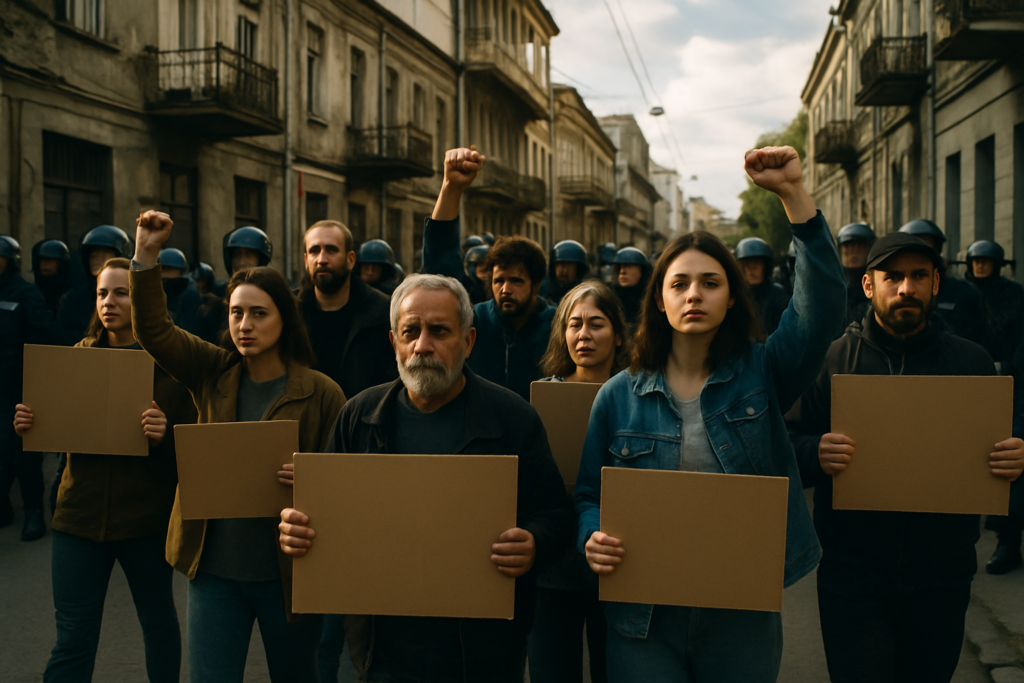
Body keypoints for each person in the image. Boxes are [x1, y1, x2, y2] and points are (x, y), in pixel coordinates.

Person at [576, 146, 846, 683]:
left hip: (739, 607)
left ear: (731, 299)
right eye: (679, 283)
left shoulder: (764, 374)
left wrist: (795, 195)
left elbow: (820, 317)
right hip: (644, 613)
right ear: (658, 300)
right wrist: (592, 535)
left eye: (710, 283)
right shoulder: (618, 396)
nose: (694, 294)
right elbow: (589, 494)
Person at [278, 273, 572, 682]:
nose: (422, 346)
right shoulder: (359, 416)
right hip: (381, 650)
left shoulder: (512, 419)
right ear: (393, 341)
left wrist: (534, 542)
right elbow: (323, 517)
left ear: (468, 342)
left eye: (439, 331)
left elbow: (556, 515)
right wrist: (298, 529)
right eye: (410, 331)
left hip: (481, 653)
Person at [790, 232, 1024, 682]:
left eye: (919, 276)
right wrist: (815, 451)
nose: (906, 289)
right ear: (867, 286)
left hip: (943, 575)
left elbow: (1002, 443)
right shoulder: (835, 359)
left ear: (936, 284)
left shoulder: (972, 363)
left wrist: (1015, 456)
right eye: (892, 277)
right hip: (853, 575)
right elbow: (786, 440)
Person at [130, 209, 345, 683]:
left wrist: (312, 480)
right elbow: (154, 331)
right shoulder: (213, 372)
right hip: (212, 572)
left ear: (284, 321)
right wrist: (146, 252)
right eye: (236, 312)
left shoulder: (322, 393)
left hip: (287, 575)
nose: (245, 324)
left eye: (259, 313)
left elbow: (348, 484)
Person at [14, 257, 196, 682]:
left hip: (145, 523)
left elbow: (195, 449)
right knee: (73, 637)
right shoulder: (77, 358)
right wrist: (31, 422)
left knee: (157, 623)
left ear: (145, 300)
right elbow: (56, 433)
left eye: (121, 292)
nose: (108, 302)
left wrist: (163, 435)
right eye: (101, 293)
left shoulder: (172, 365)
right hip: (77, 518)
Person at [528, 280, 631, 683]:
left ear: (619, 333)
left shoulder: (641, 398)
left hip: (619, 563)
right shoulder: (540, 400)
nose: (583, 334)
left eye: (596, 323)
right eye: (574, 324)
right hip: (554, 568)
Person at [421, 147, 555, 402]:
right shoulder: (474, 321)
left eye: (516, 280)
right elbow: (440, 267)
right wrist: (451, 187)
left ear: (536, 284)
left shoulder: (557, 326)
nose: (505, 289)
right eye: (498, 280)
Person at [963, 239, 1024, 575]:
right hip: (970, 381)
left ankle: (1008, 539)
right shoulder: (962, 296)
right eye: (977, 260)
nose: (981, 266)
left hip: (1010, 382)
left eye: (987, 261)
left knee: (1007, 458)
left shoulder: (1014, 296)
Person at [1, 235, 66, 540]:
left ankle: (33, 513)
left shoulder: (27, 293)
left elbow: (43, 340)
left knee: (26, 454)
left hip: (21, 387)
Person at [898, 219, 990, 348]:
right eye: (910, 248)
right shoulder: (890, 292)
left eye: (925, 248)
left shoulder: (964, 293)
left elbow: (979, 341)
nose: (917, 255)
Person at [58, 225, 132, 341]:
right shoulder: (75, 297)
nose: (98, 260)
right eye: (94, 256)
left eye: (105, 255)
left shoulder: (139, 294)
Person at [734, 237, 790, 335]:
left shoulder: (779, 296)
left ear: (766, 267)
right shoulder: (734, 297)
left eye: (755, 263)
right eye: (745, 264)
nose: (750, 270)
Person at [836, 222, 875, 330]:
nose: (854, 253)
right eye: (848, 247)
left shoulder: (878, 285)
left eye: (860, 246)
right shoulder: (832, 286)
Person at [158, 248, 203, 336]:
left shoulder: (189, 292)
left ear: (181, 270)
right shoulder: (158, 288)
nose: (165, 273)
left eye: (170, 268)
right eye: (163, 268)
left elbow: (188, 327)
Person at [611, 246, 651, 327]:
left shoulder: (651, 299)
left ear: (642, 270)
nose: (622, 271)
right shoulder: (610, 298)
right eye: (620, 267)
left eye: (628, 266)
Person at [32, 239, 72, 318]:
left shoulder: (70, 293)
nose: (45, 265)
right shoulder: (33, 291)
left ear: (61, 263)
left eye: (50, 260)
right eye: (43, 260)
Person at [541, 240, 589, 304]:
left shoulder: (585, 292)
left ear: (578, 270)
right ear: (554, 266)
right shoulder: (541, 290)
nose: (565, 270)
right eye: (562, 264)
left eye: (570, 266)